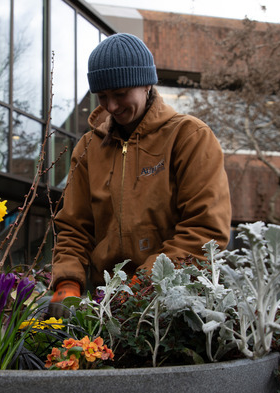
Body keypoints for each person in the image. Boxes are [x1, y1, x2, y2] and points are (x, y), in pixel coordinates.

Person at [49, 33, 232, 306]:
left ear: (146, 84)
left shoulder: (189, 136)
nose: (111, 106)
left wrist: (143, 284)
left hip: (174, 301)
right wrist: (67, 281)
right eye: (103, 96)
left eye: (120, 94)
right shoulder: (88, 148)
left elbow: (205, 230)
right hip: (105, 300)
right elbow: (74, 227)